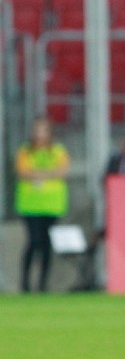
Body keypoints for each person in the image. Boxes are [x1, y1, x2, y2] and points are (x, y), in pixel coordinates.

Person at [15, 116, 70, 293]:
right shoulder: (26, 151)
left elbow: (62, 171)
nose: (39, 133)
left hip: (52, 204)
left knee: (46, 243)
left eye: (43, 129)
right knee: (34, 241)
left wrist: (37, 174)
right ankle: (25, 283)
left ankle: (42, 284)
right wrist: (48, 174)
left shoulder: (58, 151)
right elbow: (23, 172)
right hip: (30, 204)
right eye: (37, 129)